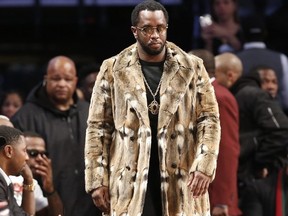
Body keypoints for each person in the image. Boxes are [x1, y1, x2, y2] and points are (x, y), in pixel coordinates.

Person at [85, 1, 221, 215]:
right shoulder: (113, 68)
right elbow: (98, 127)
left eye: (160, 28)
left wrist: (204, 165)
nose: (155, 34)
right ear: (135, 31)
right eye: (147, 29)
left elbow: (209, 120)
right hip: (129, 179)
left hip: (181, 177)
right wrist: (96, 179)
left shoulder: (192, 67)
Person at [11, 56, 101, 216]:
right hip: (45, 206)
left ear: (75, 81)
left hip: (90, 206)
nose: (62, 84)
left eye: (67, 79)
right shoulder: (24, 117)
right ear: (46, 79)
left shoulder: (90, 112)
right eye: (56, 78)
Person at [215, 52, 288, 198]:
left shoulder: (251, 94)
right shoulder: (237, 95)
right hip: (246, 177)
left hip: (256, 181)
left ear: (229, 75)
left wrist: (260, 163)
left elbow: (281, 129)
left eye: (216, 75)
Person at [191, 49, 241, 216]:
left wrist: (222, 200)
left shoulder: (219, 97)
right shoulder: (199, 94)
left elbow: (227, 151)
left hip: (213, 196)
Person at [236, 15, 288, 114]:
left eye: (273, 82)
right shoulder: (281, 59)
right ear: (265, 33)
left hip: (245, 121)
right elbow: (286, 100)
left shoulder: (233, 60)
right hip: (277, 118)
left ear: (242, 34)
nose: (270, 86)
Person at [11, 131, 64, 216]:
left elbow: (57, 215)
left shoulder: (33, 184)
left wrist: (49, 188)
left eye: (43, 154)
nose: (40, 158)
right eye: (33, 153)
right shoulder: (5, 178)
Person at [0, 125, 35, 215]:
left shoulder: (6, 183)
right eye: (24, 150)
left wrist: (29, 180)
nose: (27, 158)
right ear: (8, 151)